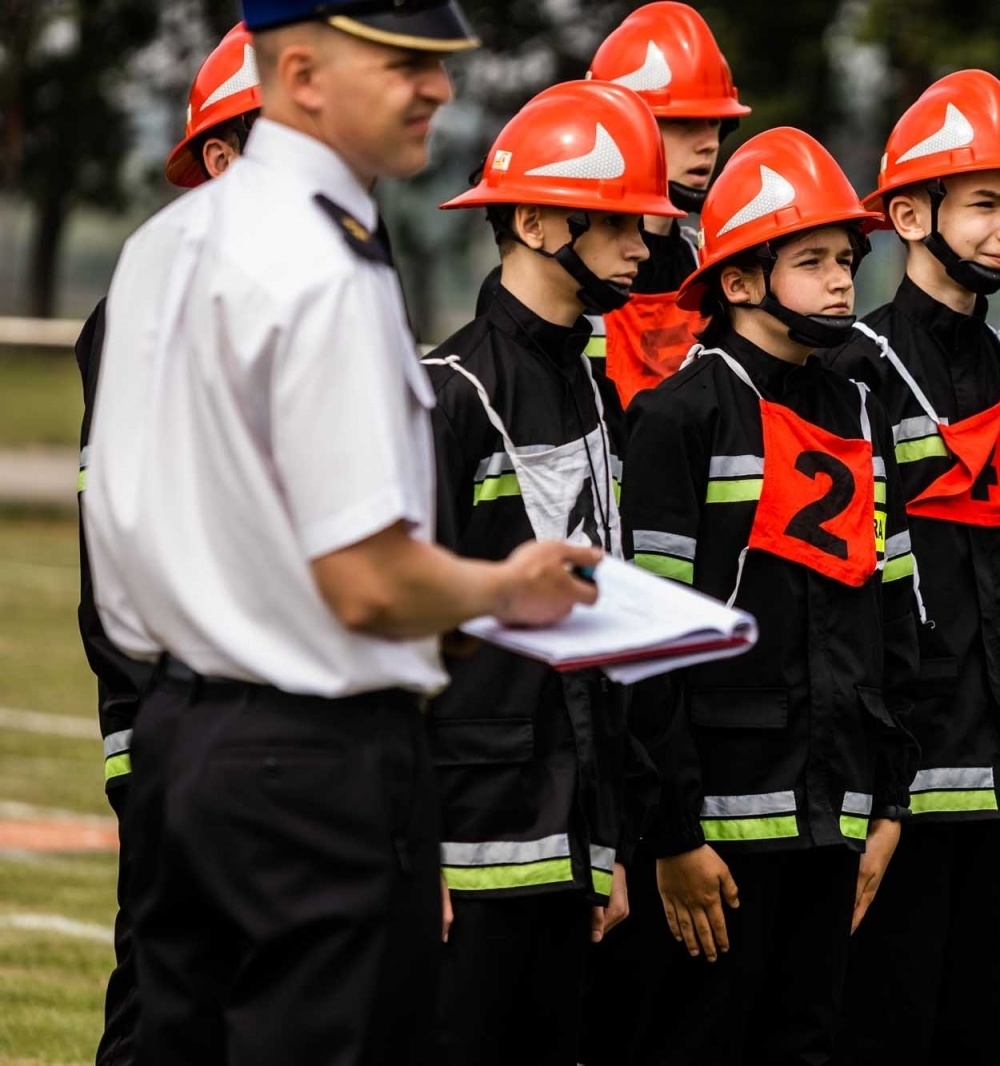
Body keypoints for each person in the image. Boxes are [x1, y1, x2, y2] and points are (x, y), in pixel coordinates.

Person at [80, 2, 601, 1061]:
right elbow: (366, 581)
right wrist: (506, 590)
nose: (439, 89)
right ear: (305, 73)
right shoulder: (324, 266)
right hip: (313, 762)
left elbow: (123, 543)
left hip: (182, 740)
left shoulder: (163, 243)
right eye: (405, 62)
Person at [619, 126, 919, 1066]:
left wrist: (887, 804)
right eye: (812, 260)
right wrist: (672, 834)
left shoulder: (863, 407)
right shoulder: (679, 414)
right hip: (715, 831)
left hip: (835, 816)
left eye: (847, 260)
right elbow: (647, 645)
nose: (841, 281)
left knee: (807, 1043)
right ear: (740, 282)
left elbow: (891, 622)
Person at [423, 79, 680, 1066]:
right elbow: (394, 638)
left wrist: (601, 845)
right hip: (468, 846)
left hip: (568, 846)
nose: (642, 245)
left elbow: (592, 638)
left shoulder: (591, 382)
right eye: (618, 221)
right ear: (532, 218)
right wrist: (413, 850)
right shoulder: (449, 394)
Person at [818, 69, 1000, 1066]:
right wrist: (873, 788)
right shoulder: (848, 367)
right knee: (881, 1034)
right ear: (910, 212)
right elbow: (844, 602)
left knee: (977, 1038)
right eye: (986, 204)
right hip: (894, 784)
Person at [74, 22, 260, 1065]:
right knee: (167, 1011)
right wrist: (146, 740)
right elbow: (125, 542)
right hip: (180, 727)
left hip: (279, 732)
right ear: (224, 157)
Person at [584, 1, 750, 406]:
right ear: (619, 124)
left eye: (716, 124)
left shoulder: (712, 272)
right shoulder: (557, 277)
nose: (709, 143)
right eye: (683, 123)